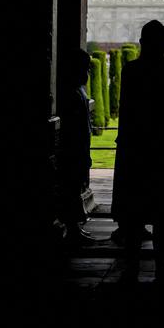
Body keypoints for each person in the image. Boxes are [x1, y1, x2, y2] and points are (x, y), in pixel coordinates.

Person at [111, 20, 164, 283]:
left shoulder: (131, 70)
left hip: (136, 151)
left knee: (133, 214)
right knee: (163, 214)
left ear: (142, 43)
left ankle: (131, 268)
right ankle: (160, 266)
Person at [58, 48, 96, 246]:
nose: (88, 72)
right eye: (85, 68)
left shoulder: (78, 90)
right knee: (71, 190)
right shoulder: (73, 93)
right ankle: (72, 229)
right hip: (73, 149)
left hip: (79, 147)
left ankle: (74, 228)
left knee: (74, 189)